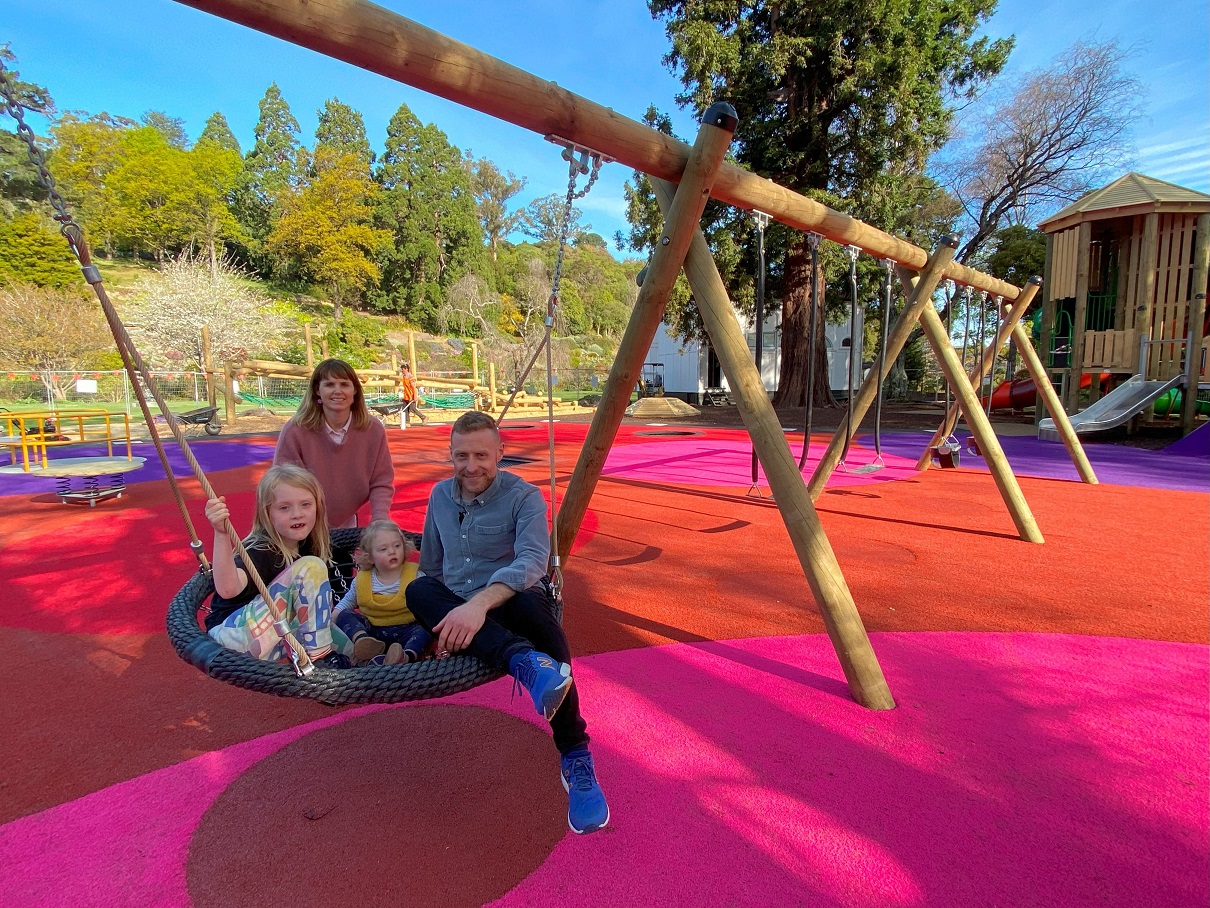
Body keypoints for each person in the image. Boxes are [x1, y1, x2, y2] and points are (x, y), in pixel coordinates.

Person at [406, 412, 609, 834]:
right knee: (418, 592)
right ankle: (525, 664)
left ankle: (575, 754)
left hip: (509, 598)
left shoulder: (524, 497)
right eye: (461, 455)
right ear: (451, 455)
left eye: (481, 454)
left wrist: (477, 606)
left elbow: (533, 561)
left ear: (500, 453)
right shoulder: (440, 496)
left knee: (536, 613)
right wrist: (431, 626)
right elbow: (431, 568)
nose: (471, 465)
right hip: (456, 603)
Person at [204, 463, 350, 669]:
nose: (297, 514)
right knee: (311, 567)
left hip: (271, 634)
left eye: (306, 505)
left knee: (347, 649)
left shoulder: (306, 547)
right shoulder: (260, 549)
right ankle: (319, 659)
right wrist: (220, 534)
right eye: (284, 507)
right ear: (267, 514)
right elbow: (228, 589)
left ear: (318, 507)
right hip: (232, 635)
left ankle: (372, 665)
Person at [275, 358, 395, 593]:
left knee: (341, 591)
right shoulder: (296, 431)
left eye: (344, 384)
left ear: (355, 392)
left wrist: (380, 518)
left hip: (344, 527)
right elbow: (284, 485)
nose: (337, 390)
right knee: (304, 593)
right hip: (303, 529)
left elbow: (381, 480)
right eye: (329, 384)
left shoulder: (372, 430)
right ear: (317, 391)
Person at [332, 519, 432, 665]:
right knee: (344, 615)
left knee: (425, 629)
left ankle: (405, 656)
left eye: (397, 546)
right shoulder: (363, 580)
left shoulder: (415, 576)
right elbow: (346, 603)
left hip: (407, 630)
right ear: (370, 557)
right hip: (373, 632)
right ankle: (363, 642)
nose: (392, 551)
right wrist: (331, 620)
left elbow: (428, 604)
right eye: (383, 549)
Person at [397, 362, 427, 426]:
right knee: (405, 409)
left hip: (411, 395)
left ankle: (423, 417)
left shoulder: (411, 377)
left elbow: (414, 388)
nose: (402, 371)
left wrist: (415, 396)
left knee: (412, 409)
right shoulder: (404, 377)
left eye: (403, 369)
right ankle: (407, 422)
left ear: (406, 369)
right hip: (406, 395)